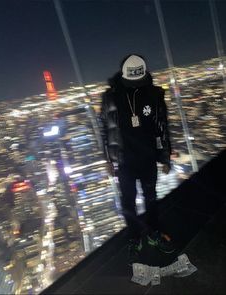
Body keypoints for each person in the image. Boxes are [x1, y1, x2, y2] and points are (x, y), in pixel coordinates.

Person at [100, 54, 175, 264]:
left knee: (151, 197)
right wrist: (107, 159)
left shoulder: (153, 94)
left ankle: (153, 233)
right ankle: (134, 236)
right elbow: (104, 129)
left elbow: (162, 126)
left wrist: (165, 156)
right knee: (128, 201)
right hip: (124, 160)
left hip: (148, 157)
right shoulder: (110, 98)